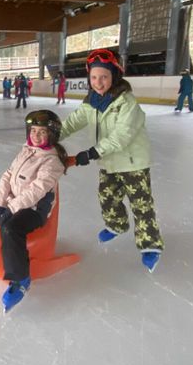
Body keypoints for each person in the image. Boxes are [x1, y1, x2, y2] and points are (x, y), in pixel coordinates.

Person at [60, 49, 163, 273]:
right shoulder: (91, 101)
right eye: (94, 77)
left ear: (114, 76)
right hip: (109, 162)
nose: (99, 82)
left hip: (133, 162)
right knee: (107, 197)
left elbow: (121, 137)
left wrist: (90, 153)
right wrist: (51, 136)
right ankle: (117, 225)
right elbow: (73, 122)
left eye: (104, 77)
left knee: (141, 204)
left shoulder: (127, 103)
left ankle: (150, 245)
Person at [0, 110, 68, 312]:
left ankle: (21, 278)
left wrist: (9, 210)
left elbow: (36, 191)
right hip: (13, 200)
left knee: (10, 229)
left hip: (34, 209)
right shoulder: (26, 150)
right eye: (33, 131)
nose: (36, 136)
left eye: (42, 132)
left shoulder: (52, 162)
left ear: (52, 135)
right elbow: (7, 176)